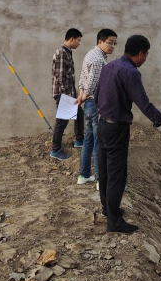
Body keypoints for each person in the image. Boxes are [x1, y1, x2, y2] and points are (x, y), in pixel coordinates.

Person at [94, 35, 161, 234]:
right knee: (117, 175)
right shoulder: (130, 72)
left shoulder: (109, 67)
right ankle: (114, 222)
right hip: (117, 128)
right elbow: (144, 104)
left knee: (105, 171)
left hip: (102, 125)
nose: (145, 59)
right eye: (146, 55)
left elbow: (97, 95)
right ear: (141, 53)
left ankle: (108, 210)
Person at [76, 29, 118, 189]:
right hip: (94, 103)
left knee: (88, 140)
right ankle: (100, 180)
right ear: (100, 41)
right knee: (98, 142)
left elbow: (82, 77)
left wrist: (81, 95)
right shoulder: (98, 59)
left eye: (115, 43)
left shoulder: (90, 54)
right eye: (110, 42)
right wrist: (84, 96)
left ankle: (84, 175)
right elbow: (92, 82)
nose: (113, 46)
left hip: (88, 104)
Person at [50, 28, 84, 160]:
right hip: (63, 94)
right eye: (78, 40)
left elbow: (68, 76)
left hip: (67, 92)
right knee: (62, 122)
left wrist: (73, 91)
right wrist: (67, 96)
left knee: (79, 114)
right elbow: (60, 76)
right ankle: (55, 150)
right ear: (71, 39)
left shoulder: (67, 52)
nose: (79, 43)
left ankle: (79, 140)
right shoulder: (62, 53)